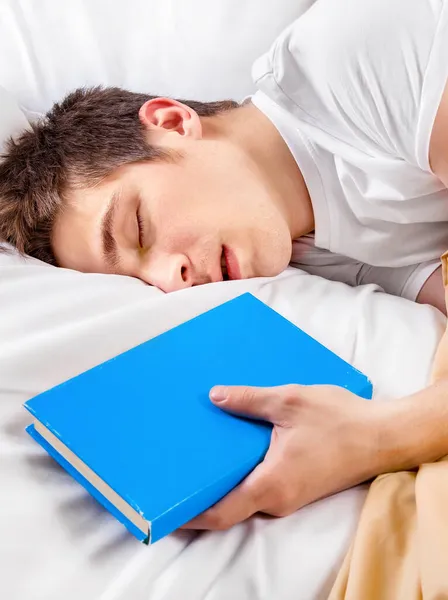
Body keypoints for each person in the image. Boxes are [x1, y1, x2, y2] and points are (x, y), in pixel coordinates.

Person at [1, 0, 448, 530]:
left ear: (171, 122)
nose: (173, 279)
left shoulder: (354, 60)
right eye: (143, 282)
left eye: (139, 229)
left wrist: (377, 438)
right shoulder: (313, 252)